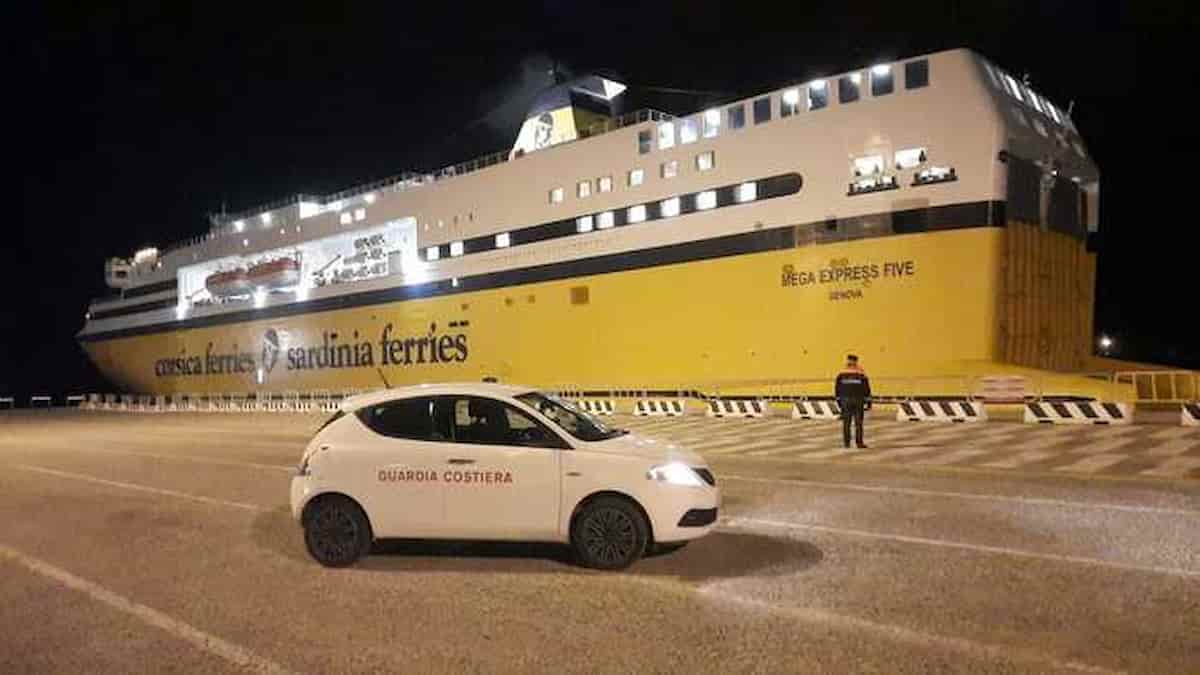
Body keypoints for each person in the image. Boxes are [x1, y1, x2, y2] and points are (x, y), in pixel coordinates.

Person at [834, 354, 872, 449]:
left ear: (848, 361)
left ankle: (847, 443)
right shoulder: (861, 373)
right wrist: (868, 402)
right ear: (856, 361)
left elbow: (837, 389)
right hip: (858, 400)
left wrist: (839, 402)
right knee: (858, 423)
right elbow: (866, 389)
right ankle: (859, 443)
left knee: (846, 423)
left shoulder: (841, 373)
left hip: (845, 400)